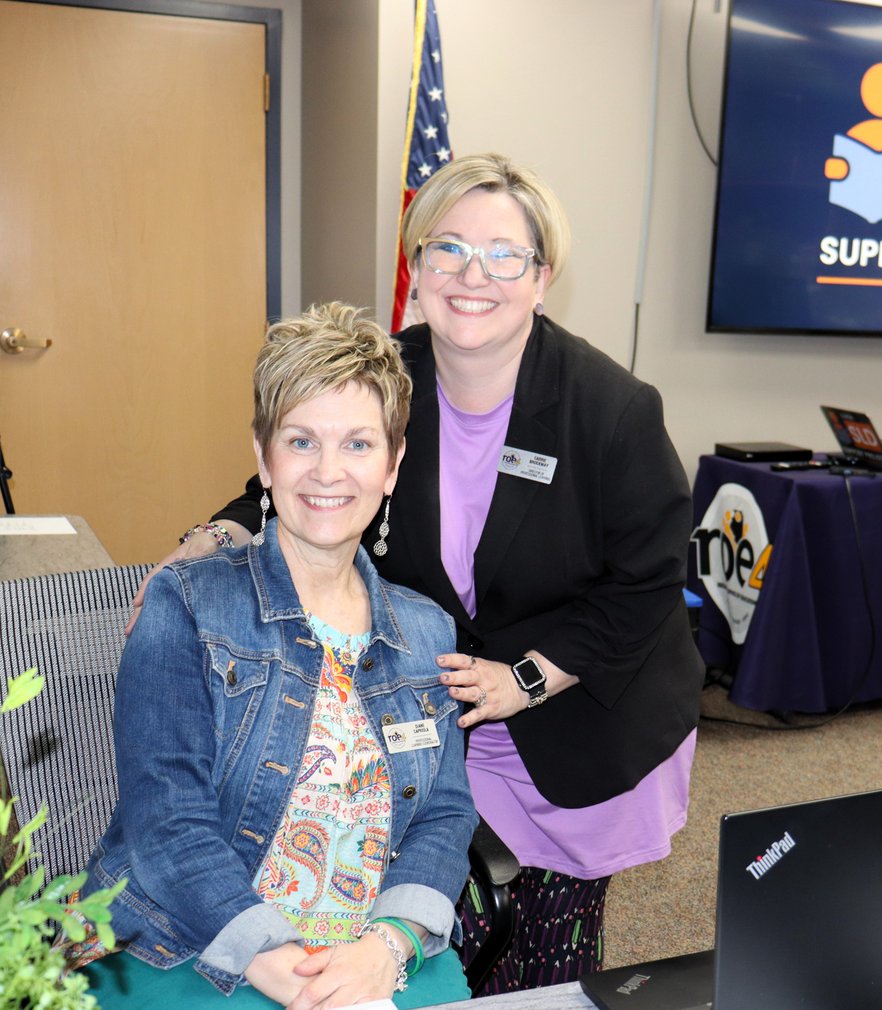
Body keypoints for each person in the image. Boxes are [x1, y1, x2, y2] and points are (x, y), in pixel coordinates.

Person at [137, 153, 704, 993]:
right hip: (442, 702)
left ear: (542, 276)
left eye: (503, 254)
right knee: (439, 908)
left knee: (547, 951)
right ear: (415, 265)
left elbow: (648, 586)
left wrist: (528, 680)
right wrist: (209, 538)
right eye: (447, 248)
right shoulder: (392, 378)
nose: (473, 276)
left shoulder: (610, 409)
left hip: (587, 703)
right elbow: (310, 470)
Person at [79, 304, 476, 1008]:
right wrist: (277, 959)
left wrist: (387, 946)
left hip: (367, 956)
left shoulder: (428, 631)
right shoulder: (189, 605)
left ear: (393, 465)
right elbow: (165, 823)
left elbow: (444, 815)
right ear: (263, 457)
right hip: (194, 942)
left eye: (358, 445)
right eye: (301, 441)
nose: (329, 473)